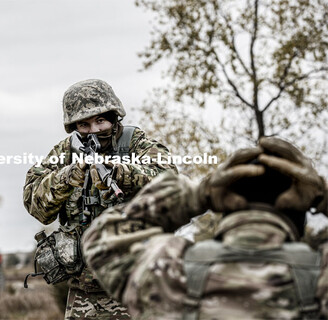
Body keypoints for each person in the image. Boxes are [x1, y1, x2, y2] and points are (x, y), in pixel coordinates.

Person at [83, 137, 328, 319]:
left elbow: (101, 237)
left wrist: (198, 194)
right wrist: (321, 195)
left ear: (226, 205)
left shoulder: (166, 269)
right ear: (300, 212)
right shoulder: (320, 280)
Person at [23, 79, 178, 319]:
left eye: (100, 121)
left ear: (114, 117)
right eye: (84, 124)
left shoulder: (135, 143)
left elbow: (169, 181)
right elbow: (35, 204)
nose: (94, 130)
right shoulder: (65, 153)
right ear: (73, 125)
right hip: (85, 291)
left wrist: (121, 172)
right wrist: (67, 177)